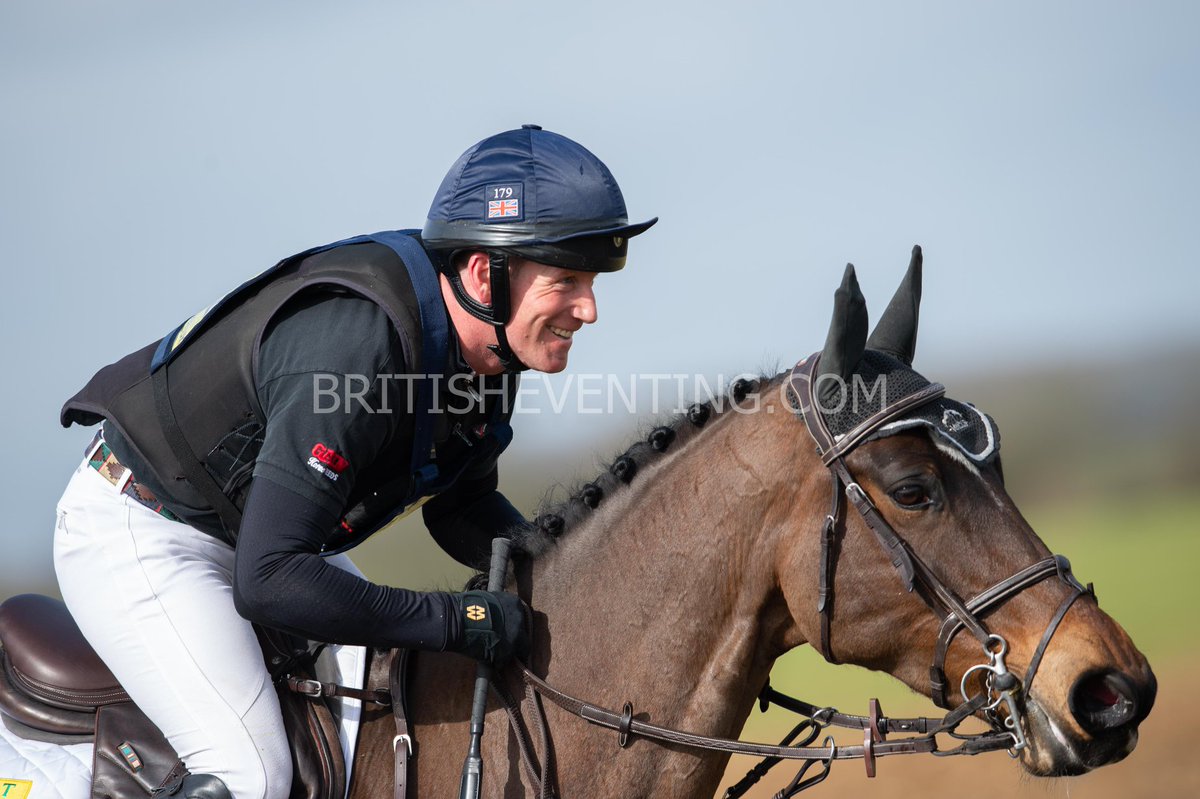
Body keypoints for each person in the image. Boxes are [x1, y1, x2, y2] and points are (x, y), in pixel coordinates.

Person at [54, 124, 656, 799]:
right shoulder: (358, 350)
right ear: (487, 274)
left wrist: (572, 568)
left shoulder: (486, 353)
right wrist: (458, 621)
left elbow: (461, 508)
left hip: (259, 537)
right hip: (143, 525)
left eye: (594, 280)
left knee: (383, 730)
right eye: (568, 280)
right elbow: (270, 580)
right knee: (254, 776)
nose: (590, 308)